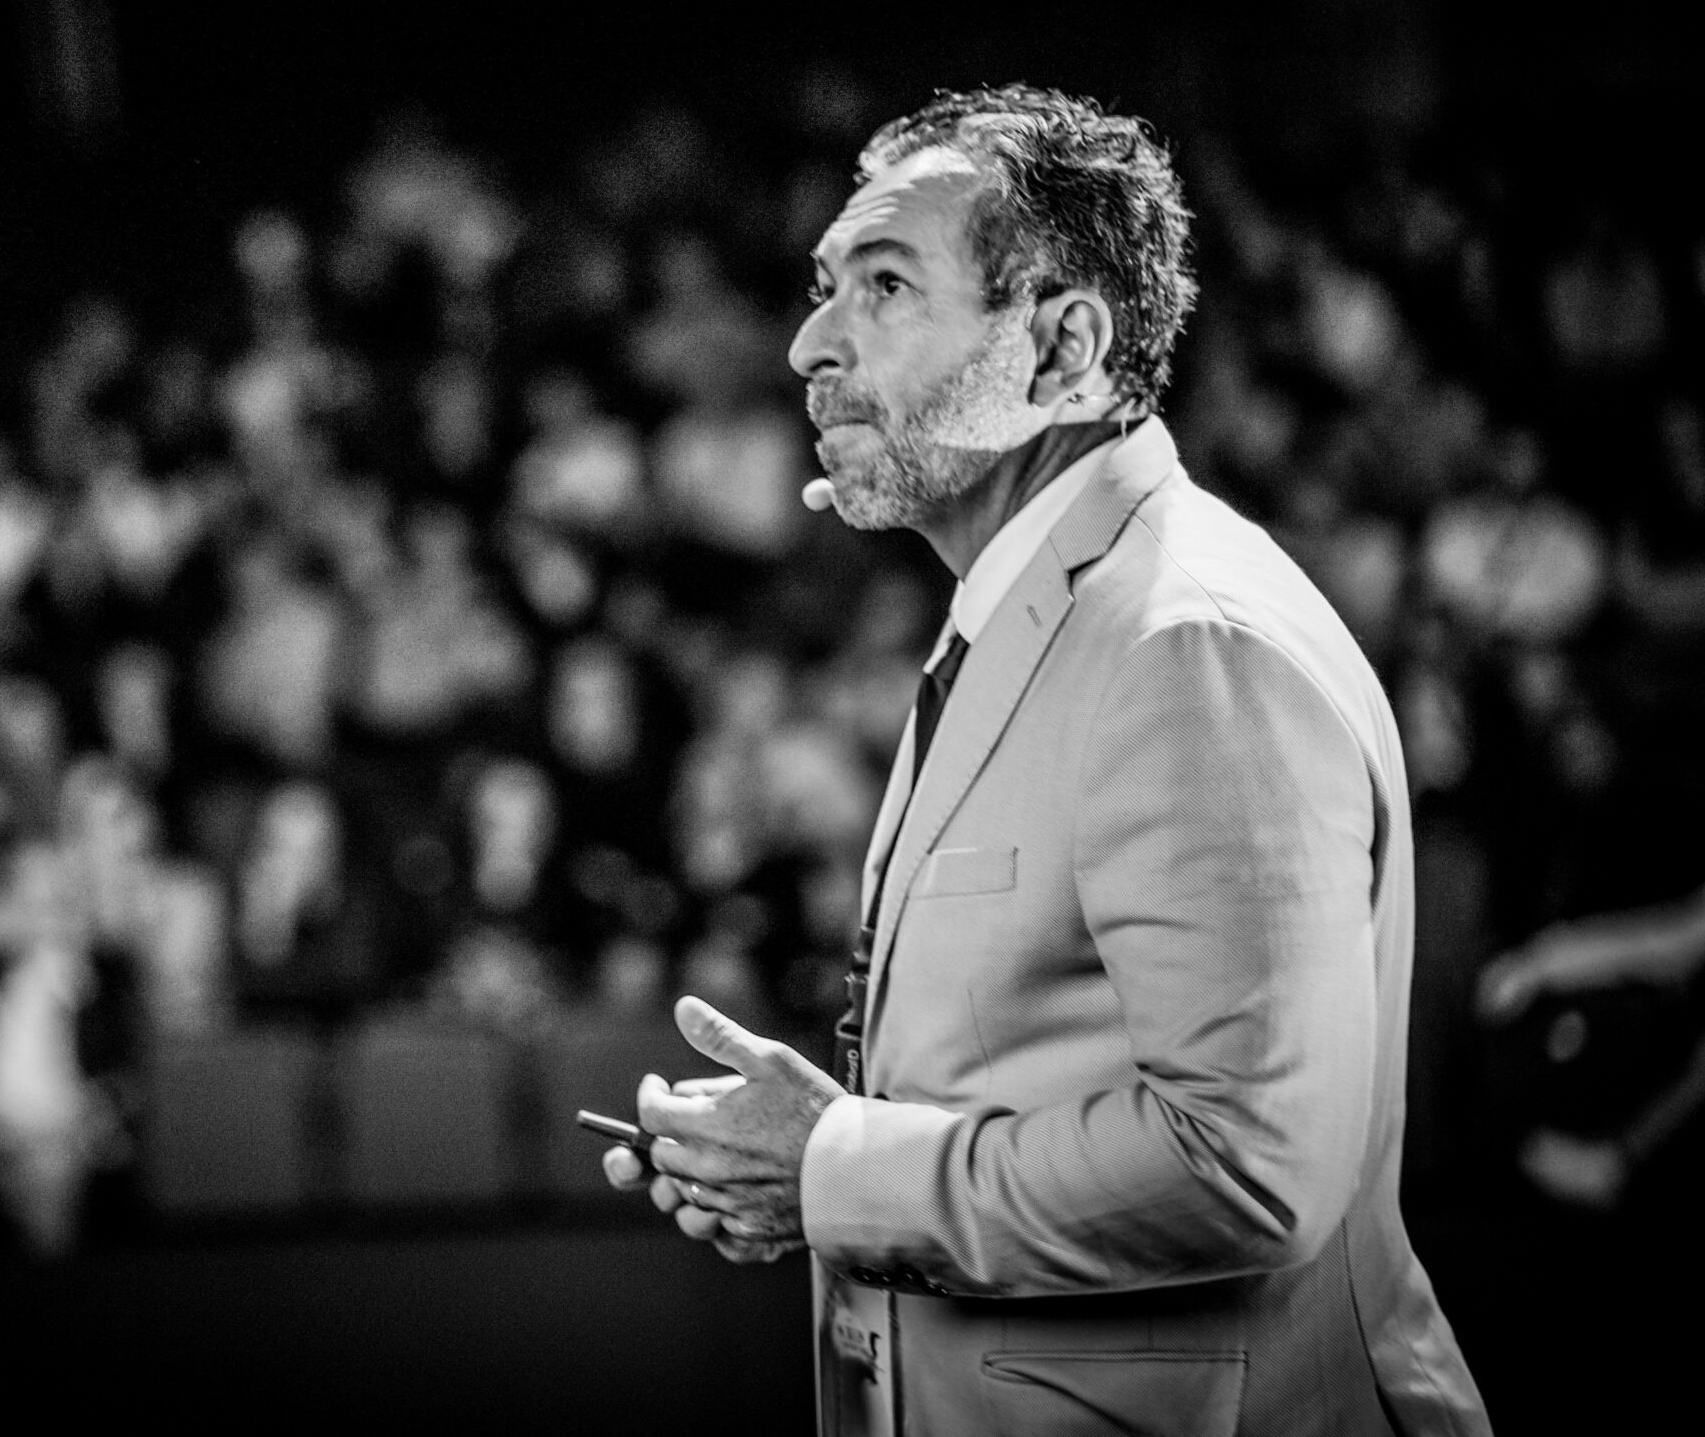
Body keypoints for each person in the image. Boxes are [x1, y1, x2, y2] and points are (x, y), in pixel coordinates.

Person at [602, 87, 1488, 1436]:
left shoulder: (1187, 643)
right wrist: (802, 1164)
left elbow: (1247, 1167)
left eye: (885, 287)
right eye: (825, 288)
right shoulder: (1040, 611)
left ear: (1064, 346)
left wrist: (837, 1169)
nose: (806, 346)